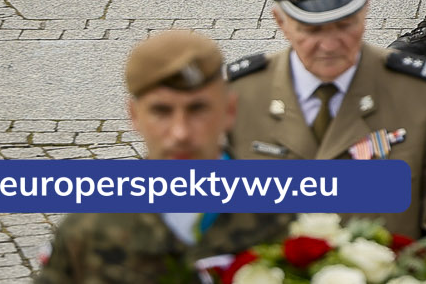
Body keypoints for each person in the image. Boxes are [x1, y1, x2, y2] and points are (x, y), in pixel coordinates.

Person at [228, 0, 426, 281]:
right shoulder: (238, 95)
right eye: (311, 30)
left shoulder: (424, 94)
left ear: (365, 10)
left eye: (345, 25)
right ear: (280, 21)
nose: (330, 44)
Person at [32, 29, 290, 282]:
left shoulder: (284, 219)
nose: (181, 133)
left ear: (229, 110)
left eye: (198, 108)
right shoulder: (89, 230)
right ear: (134, 115)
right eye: (161, 111)